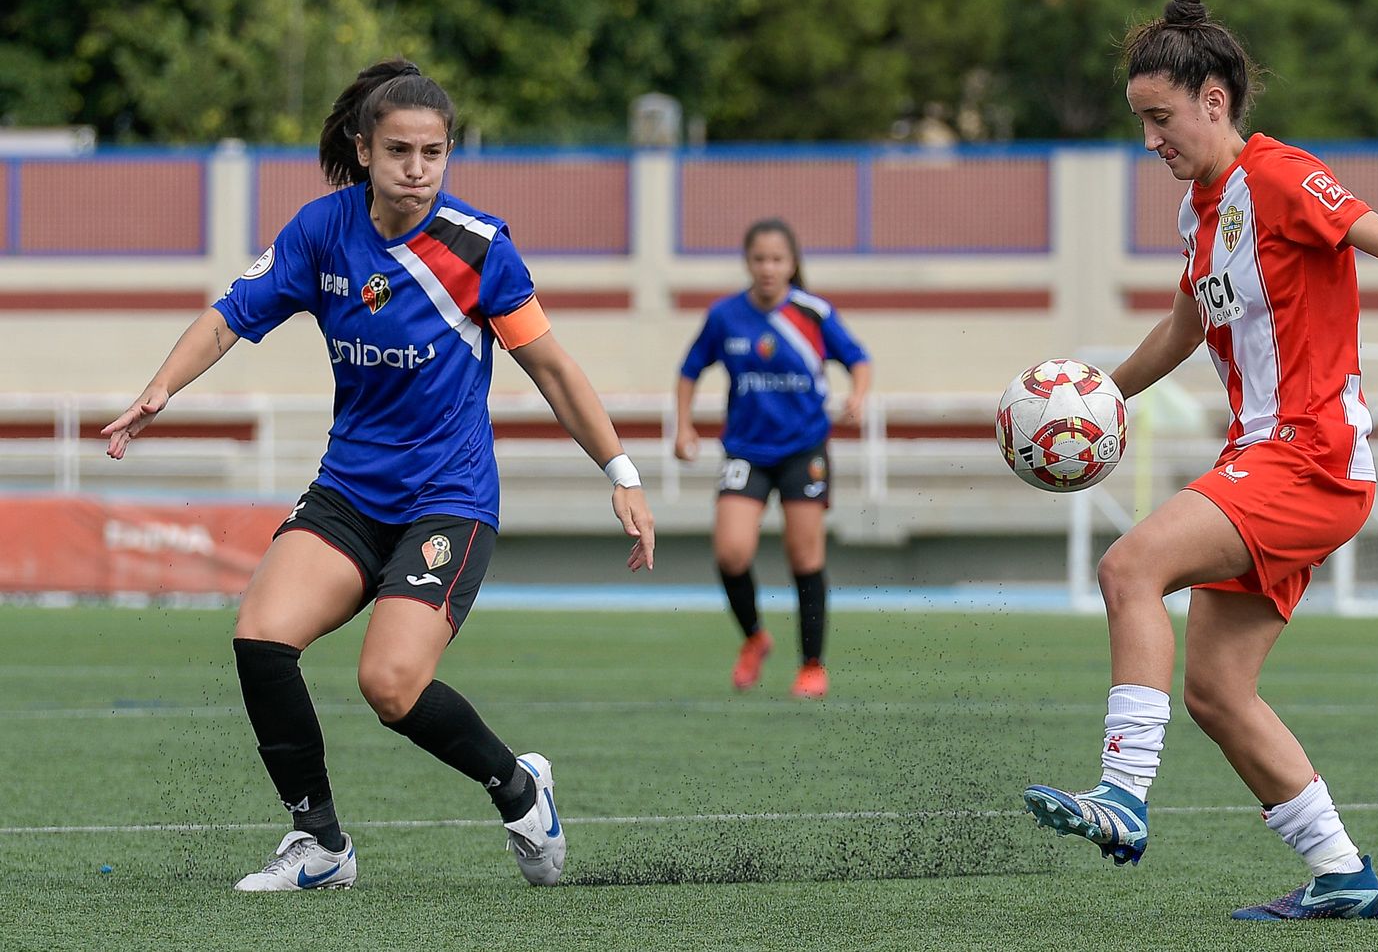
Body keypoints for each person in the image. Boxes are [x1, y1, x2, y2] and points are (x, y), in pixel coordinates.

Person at [101, 58, 655, 891]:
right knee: (260, 639)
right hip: (350, 493)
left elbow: (553, 369)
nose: (418, 169)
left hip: (449, 503)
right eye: (400, 150)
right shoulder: (321, 232)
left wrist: (621, 471)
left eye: (434, 152)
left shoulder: (480, 249)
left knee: (389, 686)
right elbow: (229, 319)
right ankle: (319, 845)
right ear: (363, 150)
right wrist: (159, 388)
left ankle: (519, 787)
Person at [1020, 0, 1378, 921]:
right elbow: (1183, 330)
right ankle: (1343, 874)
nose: (1150, 140)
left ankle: (1120, 795)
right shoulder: (1200, 215)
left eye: (1160, 118)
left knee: (1130, 567)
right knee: (1215, 692)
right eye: (1140, 123)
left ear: (1214, 101)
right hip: (1270, 460)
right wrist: (1095, 401)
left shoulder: (1281, 177)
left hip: (1308, 456)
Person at [674, 218, 871, 699]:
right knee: (731, 551)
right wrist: (684, 425)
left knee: (804, 555)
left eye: (777, 259)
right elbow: (689, 370)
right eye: (759, 259)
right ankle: (756, 638)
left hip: (804, 447)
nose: (768, 268)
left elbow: (858, 359)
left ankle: (811, 665)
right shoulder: (725, 316)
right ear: (748, 262)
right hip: (745, 449)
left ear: (792, 264)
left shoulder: (813, 312)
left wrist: (859, 395)